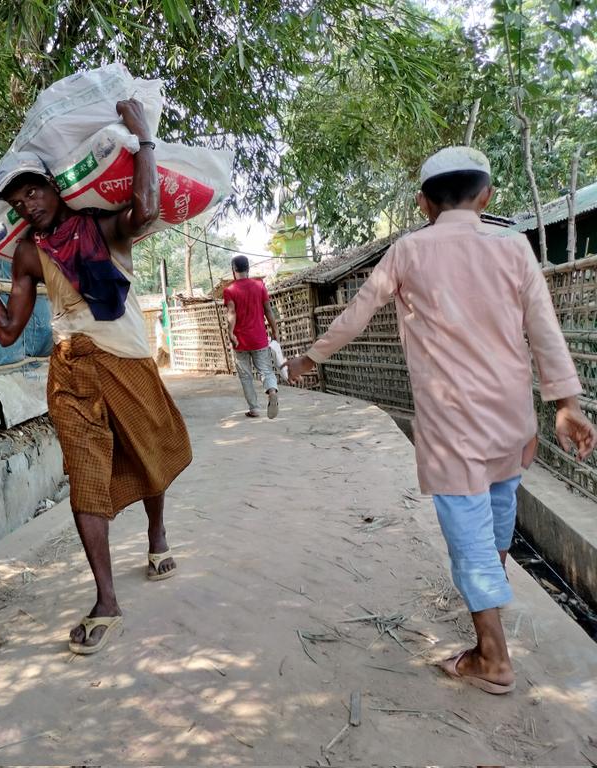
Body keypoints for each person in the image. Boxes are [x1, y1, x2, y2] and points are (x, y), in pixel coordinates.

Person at [287, 146, 595, 694]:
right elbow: (544, 328)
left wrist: (309, 360)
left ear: (423, 203)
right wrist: (567, 404)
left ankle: (492, 658)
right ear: (486, 197)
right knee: (499, 513)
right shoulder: (514, 249)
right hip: (511, 420)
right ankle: (491, 602)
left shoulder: (408, 252)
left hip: (452, 425)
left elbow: (356, 313)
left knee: (468, 536)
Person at [0, 99, 192, 656]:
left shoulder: (103, 226)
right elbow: (8, 331)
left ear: (55, 186)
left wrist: (142, 140)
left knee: (146, 453)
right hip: (70, 369)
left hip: (127, 357)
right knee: (86, 477)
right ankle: (106, 599)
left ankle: (156, 535)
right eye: (18, 201)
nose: (28, 204)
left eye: (34, 192)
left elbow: (148, 207)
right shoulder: (26, 254)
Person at [224, 255, 280, 418]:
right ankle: (271, 391)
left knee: (245, 375)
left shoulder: (230, 290)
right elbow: (268, 310)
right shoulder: (259, 285)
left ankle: (254, 408)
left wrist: (230, 333)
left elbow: (232, 312)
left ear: (234, 270)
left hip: (240, 340)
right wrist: (275, 329)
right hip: (259, 338)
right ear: (248, 269)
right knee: (266, 370)